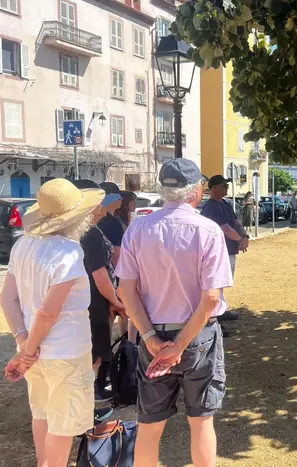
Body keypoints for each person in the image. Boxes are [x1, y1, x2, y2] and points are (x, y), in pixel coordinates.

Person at [117, 159, 231, 467]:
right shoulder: (207, 230)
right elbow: (210, 298)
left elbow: (126, 290)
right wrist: (179, 345)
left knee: (149, 425)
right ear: (196, 191)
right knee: (202, 422)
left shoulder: (138, 228)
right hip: (198, 337)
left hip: (153, 334)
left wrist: (150, 338)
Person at [1, 178, 105, 467]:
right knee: (62, 424)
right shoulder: (68, 251)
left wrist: (24, 343)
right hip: (65, 352)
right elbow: (48, 311)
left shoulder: (23, 244)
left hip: (36, 350)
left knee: (43, 413)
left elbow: (8, 297)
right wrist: (27, 350)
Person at [77, 180, 124, 403]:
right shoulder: (89, 233)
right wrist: (116, 301)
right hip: (94, 300)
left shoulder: (88, 230)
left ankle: (89, 395)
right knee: (94, 354)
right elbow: (99, 275)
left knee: (94, 350)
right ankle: (87, 400)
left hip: (92, 298)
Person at [201, 175, 250, 279]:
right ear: (214, 188)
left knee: (227, 281)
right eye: (224, 186)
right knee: (218, 282)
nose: (227, 187)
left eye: (227, 185)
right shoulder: (211, 207)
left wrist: (245, 237)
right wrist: (241, 239)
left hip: (229, 250)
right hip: (218, 252)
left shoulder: (226, 204)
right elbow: (226, 229)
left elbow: (236, 223)